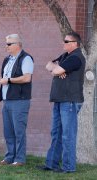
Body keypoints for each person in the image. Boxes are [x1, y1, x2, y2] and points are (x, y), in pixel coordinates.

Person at [37, 32, 85, 173]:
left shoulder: (76, 57)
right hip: (60, 99)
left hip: (69, 101)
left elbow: (56, 69)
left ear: (74, 44)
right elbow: (48, 65)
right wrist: (56, 69)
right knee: (56, 132)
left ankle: (69, 167)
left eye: (66, 41)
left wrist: (57, 69)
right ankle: (51, 164)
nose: (63, 43)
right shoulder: (65, 56)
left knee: (67, 134)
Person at [0, 34, 34, 166]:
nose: (6, 46)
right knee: (8, 131)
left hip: (19, 100)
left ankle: (20, 159)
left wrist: (8, 80)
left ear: (18, 45)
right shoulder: (7, 59)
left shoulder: (26, 58)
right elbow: (6, 78)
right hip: (7, 100)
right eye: (6, 43)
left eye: (9, 44)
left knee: (19, 131)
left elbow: (27, 78)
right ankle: (9, 157)